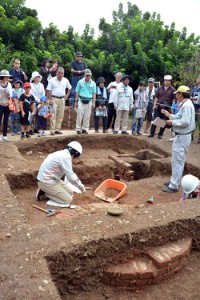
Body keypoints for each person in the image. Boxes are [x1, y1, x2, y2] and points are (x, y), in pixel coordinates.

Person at [162, 86, 195, 193]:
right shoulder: (186, 104)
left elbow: (184, 121)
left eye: (177, 93)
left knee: (177, 160)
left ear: (181, 94)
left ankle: (174, 185)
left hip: (183, 136)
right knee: (177, 160)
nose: (175, 95)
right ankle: (174, 180)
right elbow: (180, 117)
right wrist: (169, 115)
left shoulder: (186, 105)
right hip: (182, 136)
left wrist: (172, 123)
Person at [148, 75, 176, 139]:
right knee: (155, 119)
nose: (166, 82)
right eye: (165, 80)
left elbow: (174, 100)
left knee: (164, 121)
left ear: (170, 81)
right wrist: (154, 105)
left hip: (167, 107)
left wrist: (172, 108)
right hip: (159, 106)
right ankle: (151, 133)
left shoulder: (173, 89)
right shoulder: (160, 88)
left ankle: (160, 134)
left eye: (168, 80)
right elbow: (156, 97)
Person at [46, 67, 72, 135]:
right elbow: (49, 90)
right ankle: (52, 130)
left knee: (60, 115)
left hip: (62, 99)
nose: (61, 74)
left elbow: (69, 88)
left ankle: (57, 129)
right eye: (60, 73)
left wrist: (67, 95)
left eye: (62, 73)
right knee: (53, 115)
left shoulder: (65, 80)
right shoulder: (52, 80)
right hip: (54, 99)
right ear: (56, 72)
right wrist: (50, 99)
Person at [75, 69, 96, 134]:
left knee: (87, 115)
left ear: (91, 76)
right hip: (81, 99)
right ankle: (78, 129)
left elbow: (94, 93)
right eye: (87, 75)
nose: (88, 77)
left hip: (89, 100)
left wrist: (93, 102)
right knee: (79, 114)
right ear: (84, 75)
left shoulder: (93, 83)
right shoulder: (80, 82)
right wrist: (76, 101)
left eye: (89, 75)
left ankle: (85, 129)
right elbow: (77, 91)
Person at [0, 70, 13, 142]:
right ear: (3, 76)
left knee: (6, 120)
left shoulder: (9, 85)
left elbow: (11, 94)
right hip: (0, 104)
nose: (7, 77)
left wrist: (9, 95)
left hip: (7, 104)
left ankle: (5, 135)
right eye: (6, 76)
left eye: (8, 76)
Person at [190, 75, 200, 143]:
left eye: (198, 78)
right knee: (192, 122)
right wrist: (192, 98)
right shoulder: (194, 88)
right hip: (194, 107)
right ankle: (191, 136)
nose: (197, 79)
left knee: (199, 123)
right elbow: (190, 96)